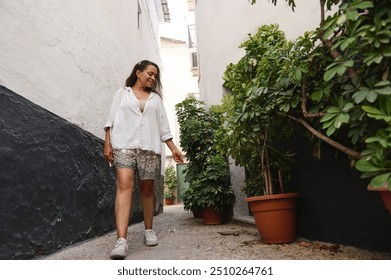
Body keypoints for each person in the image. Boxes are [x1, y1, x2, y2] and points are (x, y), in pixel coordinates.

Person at [103, 60, 183, 259]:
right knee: (124, 185)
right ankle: (121, 240)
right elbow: (110, 120)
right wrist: (107, 143)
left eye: (155, 75)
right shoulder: (122, 94)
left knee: (147, 189)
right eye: (150, 73)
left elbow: (163, 127)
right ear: (138, 73)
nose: (153, 78)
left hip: (149, 147)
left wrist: (173, 149)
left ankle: (149, 230)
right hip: (124, 144)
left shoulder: (156, 99)